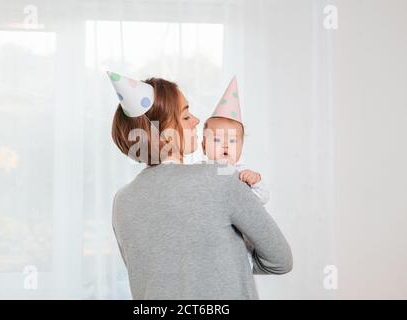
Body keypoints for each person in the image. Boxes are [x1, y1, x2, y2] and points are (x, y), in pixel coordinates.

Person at [108, 71, 292, 299]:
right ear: (164, 133)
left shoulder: (121, 201)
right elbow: (280, 260)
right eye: (185, 116)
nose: (196, 120)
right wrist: (227, 267)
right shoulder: (220, 178)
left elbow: (152, 270)